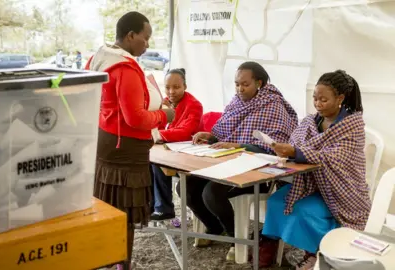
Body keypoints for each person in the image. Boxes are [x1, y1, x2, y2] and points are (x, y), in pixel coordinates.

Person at [180, 61, 298, 260]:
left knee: (212, 192)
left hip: (258, 172)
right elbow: (226, 136)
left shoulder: (273, 105)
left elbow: (274, 149)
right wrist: (210, 137)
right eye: (236, 84)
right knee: (186, 187)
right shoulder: (236, 102)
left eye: (245, 84)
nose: (239, 89)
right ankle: (216, 227)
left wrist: (239, 146)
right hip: (227, 164)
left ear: (259, 83)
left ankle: (237, 240)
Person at [85, 11, 175, 270]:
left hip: (104, 141)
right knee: (123, 213)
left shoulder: (98, 58)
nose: (147, 44)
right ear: (131, 35)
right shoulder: (125, 67)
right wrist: (163, 114)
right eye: (145, 38)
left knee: (105, 207)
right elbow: (135, 118)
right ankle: (122, 265)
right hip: (126, 149)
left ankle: (102, 258)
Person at [260, 70, 371, 269]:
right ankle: (271, 246)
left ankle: (319, 253)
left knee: (302, 209)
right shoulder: (311, 122)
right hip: (312, 184)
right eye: (315, 98)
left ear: (340, 98)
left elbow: (333, 158)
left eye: (323, 99)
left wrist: (296, 151)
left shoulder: (353, 126)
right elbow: (296, 142)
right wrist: (287, 150)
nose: (318, 103)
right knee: (277, 200)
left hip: (344, 191)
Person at [150, 68, 203, 220]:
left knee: (158, 162)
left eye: (176, 87)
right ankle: (150, 205)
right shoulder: (166, 104)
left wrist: (157, 135)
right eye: (167, 87)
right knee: (146, 160)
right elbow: (158, 127)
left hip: (190, 154)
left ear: (185, 87)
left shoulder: (194, 105)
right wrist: (163, 111)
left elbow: (185, 132)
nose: (171, 91)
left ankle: (164, 208)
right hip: (172, 149)